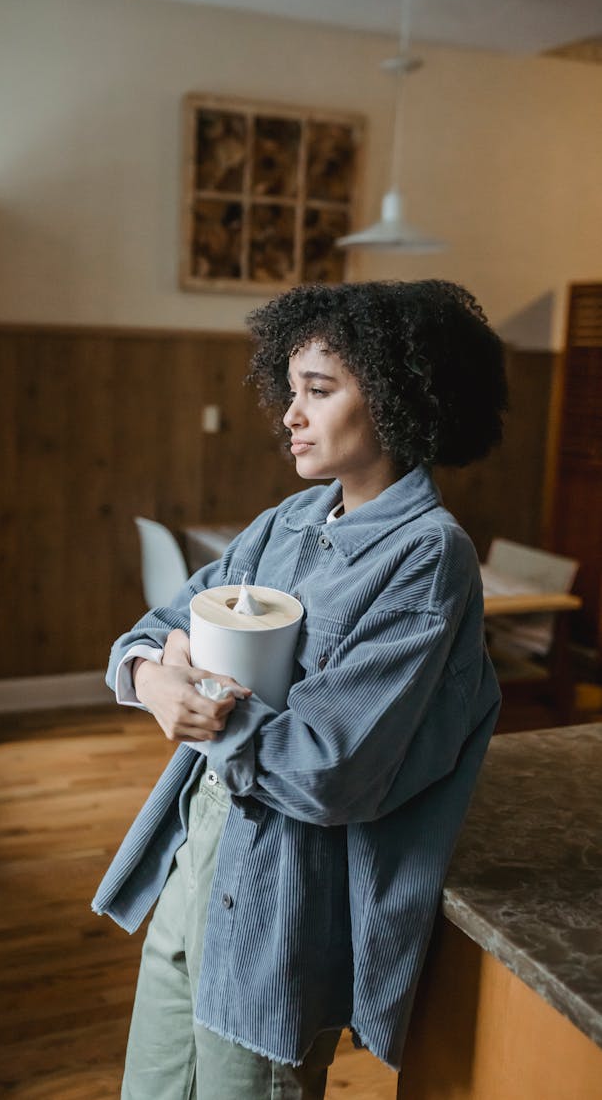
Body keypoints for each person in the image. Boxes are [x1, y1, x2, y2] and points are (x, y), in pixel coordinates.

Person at [92, 279, 508, 1100]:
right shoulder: (285, 523)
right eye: (291, 391)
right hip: (194, 863)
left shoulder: (428, 556)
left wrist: (200, 702)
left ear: (394, 398)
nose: (291, 414)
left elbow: (329, 769)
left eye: (319, 392)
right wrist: (152, 673)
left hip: (285, 902)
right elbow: (151, 630)